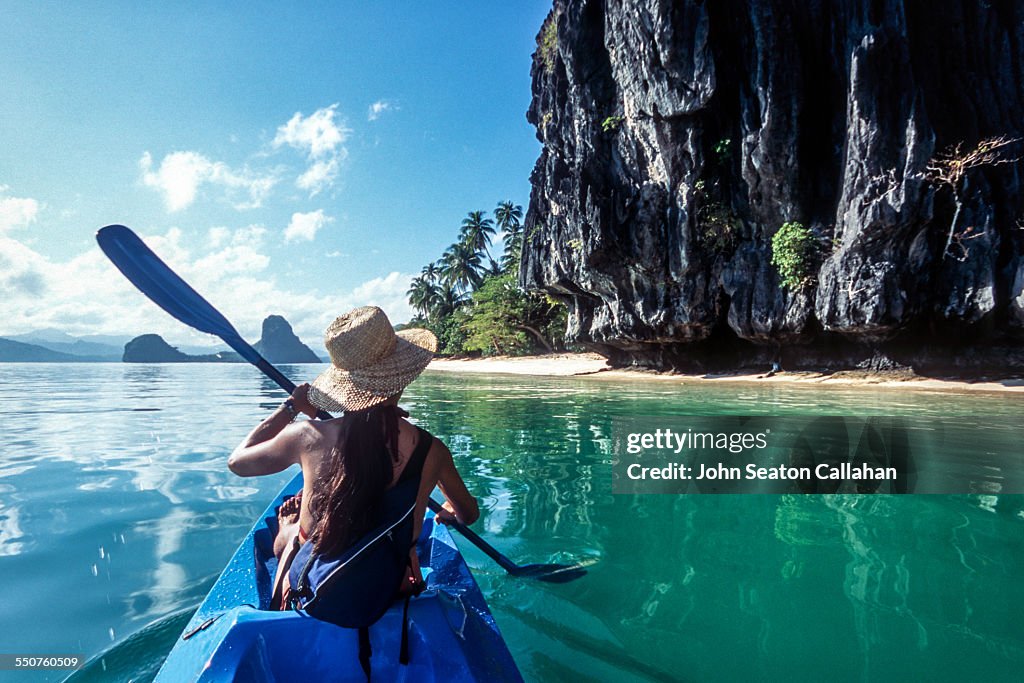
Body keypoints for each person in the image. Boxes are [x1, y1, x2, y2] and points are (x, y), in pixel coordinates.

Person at [226, 305, 479, 609]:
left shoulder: (307, 436)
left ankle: (288, 532)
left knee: (296, 535)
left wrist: (290, 408)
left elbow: (238, 462)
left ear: (343, 384)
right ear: (401, 376)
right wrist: (451, 509)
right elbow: (469, 515)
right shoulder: (431, 449)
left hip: (312, 592)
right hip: (393, 591)